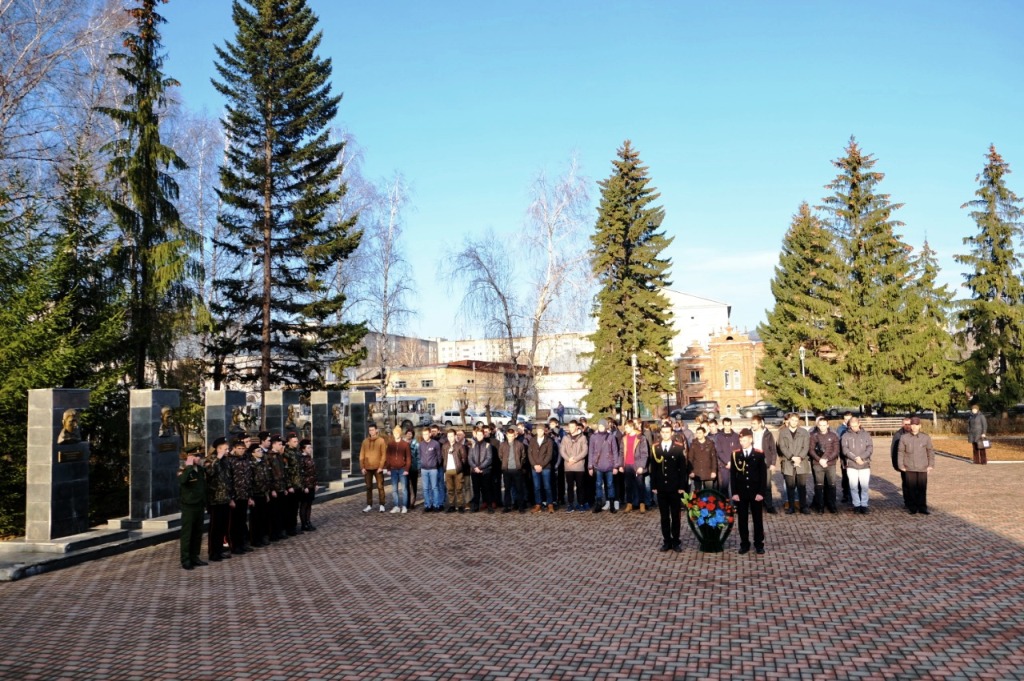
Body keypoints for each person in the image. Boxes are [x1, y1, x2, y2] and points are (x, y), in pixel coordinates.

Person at [650, 423, 688, 552]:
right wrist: (654, 485)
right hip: (661, 486)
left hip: (674, 486)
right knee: (664, 516)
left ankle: (676, 541)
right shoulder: (656, 448)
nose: (665, 434)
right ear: (660, 433)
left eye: (668, 432)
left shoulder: (678, 448)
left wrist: (682, 486)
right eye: (663, 432)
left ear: (672, 433)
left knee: (675, 515)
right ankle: (666, 541)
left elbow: (682, 469)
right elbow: (653, 468)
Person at [731, 429, 767, 555]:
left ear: (750, 440)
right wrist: (734, 492)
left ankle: (759, 544)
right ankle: (744, 544)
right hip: (741, 492)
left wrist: (761, 492)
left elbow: (763, 475)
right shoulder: (736, 454)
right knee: (742, 519)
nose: (742, 442)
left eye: (744, 440)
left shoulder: (758, 454)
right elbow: (733, 475)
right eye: (740, 440)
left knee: (757, 519)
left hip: (755, 491)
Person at [178, 446, 208, 570]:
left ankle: (195, 556)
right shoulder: (183, 469)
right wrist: (189, 466)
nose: (198, 458)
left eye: (199, 456)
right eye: (196, 456)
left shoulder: (200, 470)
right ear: (189, 457)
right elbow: (183, 481)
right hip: (189, 506)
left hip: (199, 505)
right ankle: (186, 559)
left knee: (197, 532)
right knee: (187, 533)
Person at [898, 417, 935, 515]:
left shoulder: (925, 437)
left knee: (922, 488)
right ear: (910, 426)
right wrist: (901, 465)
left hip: (922, 466)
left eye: (916, 425)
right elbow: (900, 452)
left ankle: (922, 507)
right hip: (909, 466)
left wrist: (931, 464)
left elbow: (930, 451)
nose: (914, 427)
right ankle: (913, 507)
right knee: (911, 488)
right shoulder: (904, 437)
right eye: (912, 425)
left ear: (920, 426)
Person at [204, 437, 232, 562]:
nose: (228, 450)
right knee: (215, 527)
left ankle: (220, 550)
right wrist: (218, 459)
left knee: (222, 526)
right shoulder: (210, 460)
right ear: (218, 449)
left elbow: (228, 479)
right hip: (215, 499)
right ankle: (213, 552)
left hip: (225, 498)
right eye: (225, 448)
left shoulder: (226, 461)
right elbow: (209, 473)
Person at [777, 413, 810, 515]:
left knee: (802, 486)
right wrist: (792, 457)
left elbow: (806, 446)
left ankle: (803, 506)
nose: (794, 422)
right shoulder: (783, 433)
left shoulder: (804, 432)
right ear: (788, 421)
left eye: (796, 420)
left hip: (801, 462)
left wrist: (799, 457)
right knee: (790, 486)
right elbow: (782, 447)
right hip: (788, 462)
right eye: (792, 420)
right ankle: (791, 507)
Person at [226, 437, 254, 554]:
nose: (241, 450)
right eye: (239, 448)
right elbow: (228, 480)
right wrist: (231, 498)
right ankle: (235, 545)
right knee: (234, 523)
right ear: (234, 449)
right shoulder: (230, 461)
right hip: (235, 496)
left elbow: (249, 479)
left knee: (242, 521)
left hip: (244, 495)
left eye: (243, 448)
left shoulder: (246, 460)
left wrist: (249, 496)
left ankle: (242, 544)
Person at [808, 417, 840, 514]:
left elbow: (836, 450)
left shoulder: (833, 436)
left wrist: (827, 459)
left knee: (832, 485)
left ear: (827, 425)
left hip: (830, 464)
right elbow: (811, 450)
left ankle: (832, 505)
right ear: (818, 425)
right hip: (818, 464)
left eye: (824, 425)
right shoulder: (814, 436)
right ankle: (820, 506)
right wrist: (819, 460)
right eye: (820, 425)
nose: (822, 427)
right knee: (819, 485)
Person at [840, 417, 872, 514]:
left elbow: (870, 448)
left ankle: (864, 504)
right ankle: (857, 505)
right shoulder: (845, 435)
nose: (854, 428)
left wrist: (862, 458)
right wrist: (855, 458)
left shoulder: (866, 435)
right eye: (852, 426)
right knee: (853, 486)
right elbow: (845, 449)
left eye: (855, 425)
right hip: (852, 464)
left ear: (859, 424)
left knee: (864, 486)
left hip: (864, 464)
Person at [588, 419, 621, 513]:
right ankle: (598, 504)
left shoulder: (611, 437)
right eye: (599, 426)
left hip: (609, 465)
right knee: (598, 485)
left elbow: (615, 452)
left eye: (602, 426)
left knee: (610, 485)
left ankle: (611, 504)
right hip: (597, 465)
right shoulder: (593, 437)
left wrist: (616, 466)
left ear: (606, 427)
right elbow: (591, 452)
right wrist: (590, 466)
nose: (601, 428)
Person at [750, 415, 778, 514]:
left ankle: (769, 505)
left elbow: (773, 449)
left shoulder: (767, 434)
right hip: (752, 462)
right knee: (753, 485)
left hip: (765, 462)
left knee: (766, 485)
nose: (752, 425)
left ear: (760, 423)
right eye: (751, 423)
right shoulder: (749, 433)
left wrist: (773, 463)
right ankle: (754, 505)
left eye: (754, 424)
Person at [620, 420, 649, 513]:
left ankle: (642, 504)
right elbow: (621, 452)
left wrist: (641, 466)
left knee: (640, 485)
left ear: (632, 427)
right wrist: (620, 465)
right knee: (628, 486)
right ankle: (629, 504)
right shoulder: (624, 438)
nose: (625, 429)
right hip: (627, 464)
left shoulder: (641, 438)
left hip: (637, 465)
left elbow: (644, 453)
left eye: (627, 427)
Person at [248, 442, 272, 546]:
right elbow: (249, 481)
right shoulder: (251, 464)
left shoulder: (263, 463)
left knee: (264, 517)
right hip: (255, 494)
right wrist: (250, 497)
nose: (260, 452)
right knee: (255, 518)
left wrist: (267, 493)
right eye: (258, 451)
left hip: (263, 493)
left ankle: (262, 537)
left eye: (260, 450)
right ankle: (255, 539)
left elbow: (266, 479)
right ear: (252, 453)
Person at [499, 425, 528, 513]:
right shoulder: (502, 445)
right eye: (509, 436)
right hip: (506, 470)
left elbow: (523, 456)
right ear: (506, 435)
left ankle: (520, 506)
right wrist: (505, 464)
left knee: (519, 489)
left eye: (512, 436)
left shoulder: (520, 444)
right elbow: (500, 456)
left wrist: (519, 465)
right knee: (507, 489)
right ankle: (507, 506)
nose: (510, 437)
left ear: (515, 435)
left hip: (517, 470)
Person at [360, 424, 387, 513]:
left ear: (376, 430)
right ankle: (369, 505)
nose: (371, 432)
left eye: (372, 430)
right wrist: (362, 467)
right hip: (367, 468)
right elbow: (362, 455)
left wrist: (381, 466)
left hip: (377, 468)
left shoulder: (381, 441)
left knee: (380, 486)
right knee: (368, 487)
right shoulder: (365, 442)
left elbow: (384, 455)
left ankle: (382, 505)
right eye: (370, 430)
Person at [528, 422, 555, 513]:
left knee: (547, 486)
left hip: (546, 467)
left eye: (541, 430)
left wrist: (542, 465)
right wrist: (534, 465)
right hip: (534, 467)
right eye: (538, 430)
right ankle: (538, 504)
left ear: (544, 431)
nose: (539, 432)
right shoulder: (532, 440)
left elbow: (549, 455)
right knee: (536, 487)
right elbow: (529, 454)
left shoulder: (549, 441)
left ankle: (550, 504)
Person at [468, 426, 495, 513]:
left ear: (483, 435)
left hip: (485, 471)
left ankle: (489, 507)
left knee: (487, 489)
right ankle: (475, 506)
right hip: (474, 471)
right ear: (476, 435)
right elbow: (470, 458)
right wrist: (475, 467)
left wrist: (480, 467)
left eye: (481, 435)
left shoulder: (488, 445)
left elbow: (489, 458)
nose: (479, 436)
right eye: (478, 435)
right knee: (476, 490)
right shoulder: (473, 445)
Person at [385, 425, 411, 513]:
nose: (396, 434)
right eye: (395, 433)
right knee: (394, 489)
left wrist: (407, 469)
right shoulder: (390, 444)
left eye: (397, 433)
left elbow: (408, 458)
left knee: (404, 489)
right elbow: (387, 457)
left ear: (400, 433)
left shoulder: (405, 444)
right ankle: (396, 506)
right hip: (393, 469)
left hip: (402, 469)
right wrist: (388, 468)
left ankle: (404, 506)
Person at [418, 427, 443, 512]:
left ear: (430, 434)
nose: (425, 436)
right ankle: (428, 505)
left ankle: (436, 505)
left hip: (433, 469)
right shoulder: (421, 444)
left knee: (434, 487)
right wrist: (421, 464)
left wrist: (436, 464)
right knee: (425, 488)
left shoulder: (435, 444)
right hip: (424, 469)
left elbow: (439, 456)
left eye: (426, 434)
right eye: (423, 434)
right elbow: (419, 455)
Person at [442, 430, 468, 513]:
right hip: (448, 470)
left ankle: (460, 505)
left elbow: (464, 458)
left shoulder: (460, 446)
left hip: (458, 470)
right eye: (449, 436)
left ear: (455, 436)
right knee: (450, 489)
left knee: (459, 489)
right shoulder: (444, 446)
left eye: (452, 436)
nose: (450, 438)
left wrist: (460, 467)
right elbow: (443, 456)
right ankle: (452, 505)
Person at [890, 417, 912, 508]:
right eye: (905, 424)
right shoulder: (898, 435)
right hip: (904, 464)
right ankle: (907, 502)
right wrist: (897, 465)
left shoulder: (915, 434)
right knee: (906, 483)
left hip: (915, 463)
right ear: (902, 425)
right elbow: (894, 451)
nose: (907, 426)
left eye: (909, 424)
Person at [688, 425, 717, 491]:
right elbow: (690, 458)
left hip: (708, 472)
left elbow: (713, 459)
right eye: (697, 433)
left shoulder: (710, 444)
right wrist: (691, 471)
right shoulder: (693, 444)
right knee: (697, 492)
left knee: (709, 492)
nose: (698, 435)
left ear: (704, 433)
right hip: (697, 472)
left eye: (700, 433)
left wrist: (713, 471)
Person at [297, 438, 317, 531]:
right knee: (304, 504)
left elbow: (314, 472)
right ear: (303, 449)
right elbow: (301, 474)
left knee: (309, 504)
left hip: (311, 484)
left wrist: (316, 483)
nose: (310, 449)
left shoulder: (309, 458)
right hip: (305, 486)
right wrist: (304, 486)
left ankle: (308, 522)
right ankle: (304, 524)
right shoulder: (301, 459)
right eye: (308, 448)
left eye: (311, 447)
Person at [836, 411, 854, 503]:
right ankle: (846, 494)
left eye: (849, 419)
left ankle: (854, 495)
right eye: (846, 419)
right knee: (845, 476)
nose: (847, 421)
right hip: (844, 456)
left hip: (854, 456)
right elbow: (838, 442)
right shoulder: (840, 429)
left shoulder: (854, 427)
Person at [404, 429, 420, 509]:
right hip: (404, 467)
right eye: (407, 433)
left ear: (412, 435)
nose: (409, 435)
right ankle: (407, 502)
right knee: (406, 485)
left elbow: (418, 456)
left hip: (413, 467)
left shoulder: (416, 443)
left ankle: (412, 502)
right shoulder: (403, 443)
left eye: (410, 434)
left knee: (413, 485)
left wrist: (418, 467)